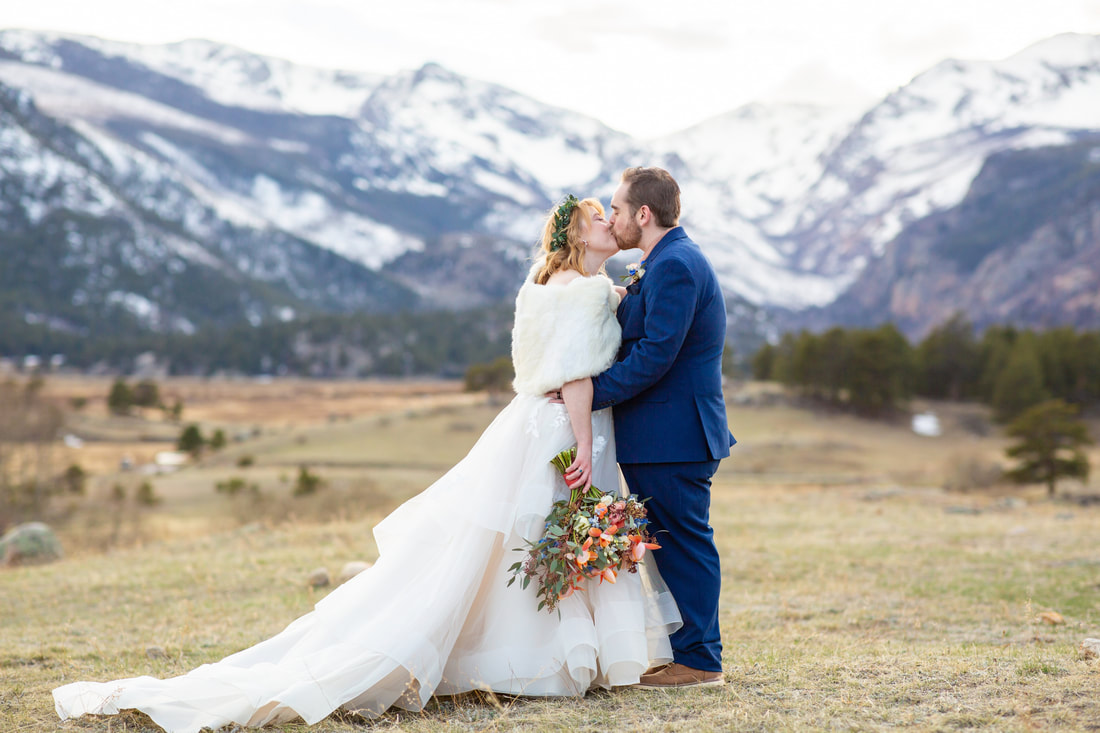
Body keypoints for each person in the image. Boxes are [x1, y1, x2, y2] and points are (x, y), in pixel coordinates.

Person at [51, 196, 681, 733]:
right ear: (579, 236)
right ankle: (541, 657)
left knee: (521, 539)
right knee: (548, 531)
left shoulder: (546, 285)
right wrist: (584, 444)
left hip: (529, 422)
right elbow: (575, 374)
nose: (611, 224)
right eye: (601, 219)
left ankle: (528, 651)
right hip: (567, 427)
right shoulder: (586, 292)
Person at [561, 167, 734, 689]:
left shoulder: (676, 265)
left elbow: (656, 355)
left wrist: (588, 394)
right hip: (663, 435)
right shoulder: (660, 262)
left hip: (675, 436)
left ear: (643, 213)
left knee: (685, 544)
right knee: (672, 543)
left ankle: (700, 661)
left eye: (616, 209)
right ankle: (691, 653)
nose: (611, 219)